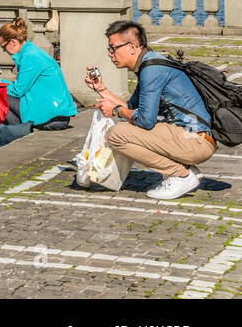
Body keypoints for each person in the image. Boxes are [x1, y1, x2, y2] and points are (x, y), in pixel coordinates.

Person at [88, 20, 215, 200]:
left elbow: (145, 121)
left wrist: (116, 110)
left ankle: (181, 175)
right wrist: (101, 88)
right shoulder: (149, 64)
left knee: (116, 134)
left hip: (195, 141)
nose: (110, 54)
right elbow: (131, 108)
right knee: (126, 126)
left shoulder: (152, 70)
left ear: (132, 46)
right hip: (194, 137)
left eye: (113, 48)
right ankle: (186, 168)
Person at [0, 18, 77, 129]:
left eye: (3, 47)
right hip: (55, 113)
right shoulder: (31, 52)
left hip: (51, 116)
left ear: (13, 42)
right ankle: (15, 127)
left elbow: (17, 91)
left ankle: (16, 127)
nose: (4, 51)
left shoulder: (29, 57)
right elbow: (21, 86)